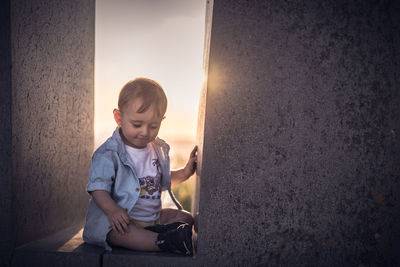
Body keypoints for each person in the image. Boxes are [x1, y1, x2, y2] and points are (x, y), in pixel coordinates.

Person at [83, 78, 197, 255]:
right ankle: (162, 241)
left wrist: (185, 172)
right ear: (118, 118)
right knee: (118, 233)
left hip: (153, 219)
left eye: (153, 126)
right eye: (137, 124)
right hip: (122, 221)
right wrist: (112, 210)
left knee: (185, 217)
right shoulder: (109, 153)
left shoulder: (156, 149)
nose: (145, 132)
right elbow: (98, 187)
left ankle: (149, 236)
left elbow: (158, 181)